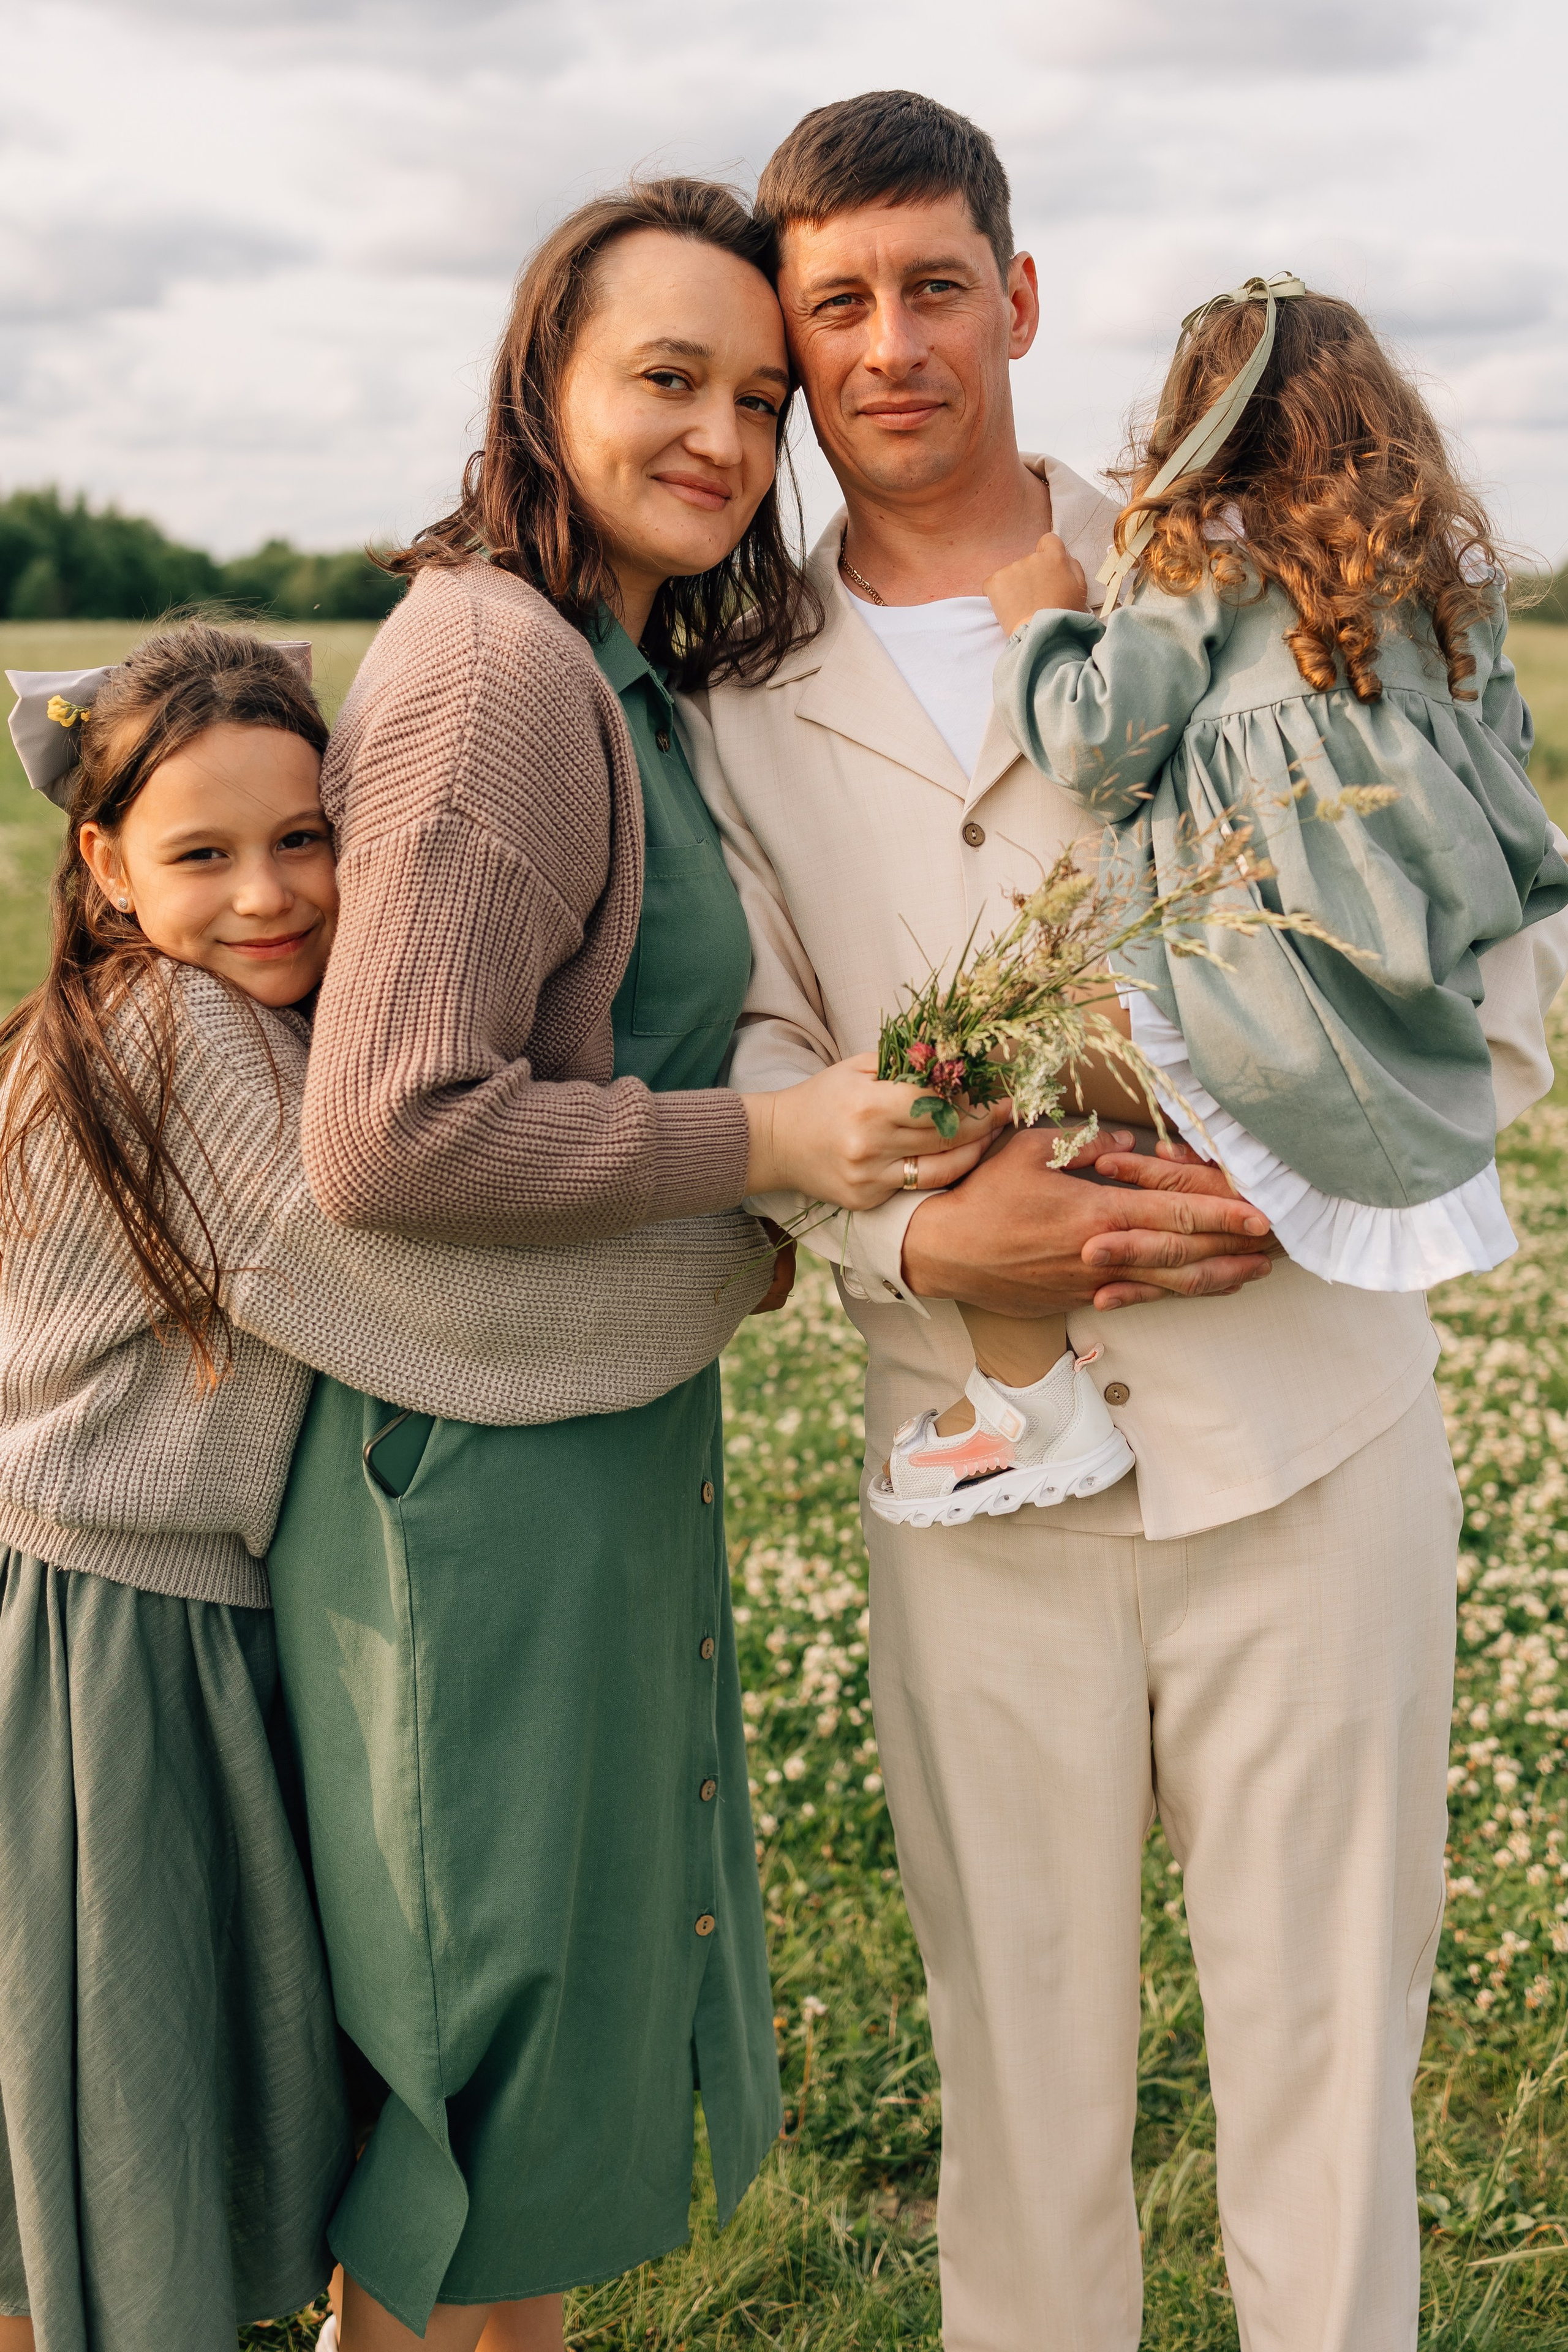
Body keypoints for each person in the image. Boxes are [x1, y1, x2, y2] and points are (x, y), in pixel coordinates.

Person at [680, 92, 1568, 2352]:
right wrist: (916, 1251)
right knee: (1022, 2085)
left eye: (936, 286)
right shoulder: (721, 701)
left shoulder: (1249, 554)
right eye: (838, 303)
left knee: (1327, 2069)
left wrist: (1318, 1165)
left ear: (1022, 297)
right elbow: (754, 1077)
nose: (895, 344)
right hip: (977, 1485)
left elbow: (1504, 959)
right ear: (796, 345)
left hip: (1313, 1446)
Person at [262, 179, 1006, 2352]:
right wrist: (764, 1144)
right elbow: (390, 1127)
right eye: (667, 379)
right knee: (466, 2112)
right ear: (543, 384)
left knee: (540, 2119)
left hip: (571, 1457)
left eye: (756, 396)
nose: (727, 436)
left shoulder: (605, 658)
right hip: (468, 1490)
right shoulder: (499, 673)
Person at [0, 620, 791, 2352]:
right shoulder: (177, 1048)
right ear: (107, 869)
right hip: (98, 1629)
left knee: (125, 2126)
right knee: (98, 2137)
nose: (271, 892)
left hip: (171, 1607)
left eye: (305, 838)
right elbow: (436, 1307)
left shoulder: (228, 1019)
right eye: (202, 854)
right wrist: (772, 1229)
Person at [872, 272, 1568, 1526]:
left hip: (1241, 997)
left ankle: (1025, 1403)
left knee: (956, 1060)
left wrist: (1041, 627)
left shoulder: (1203, 552)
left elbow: (1095, 744)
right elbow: (1497, 774)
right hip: (1390, 1016)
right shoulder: (1436, 586)